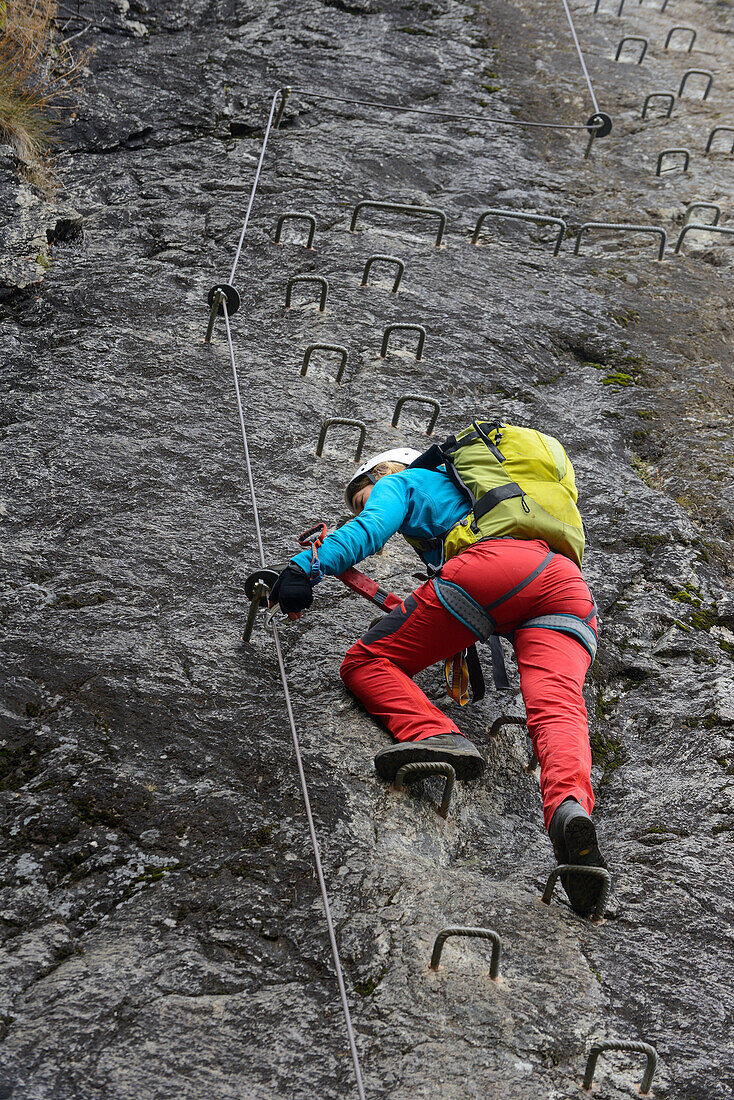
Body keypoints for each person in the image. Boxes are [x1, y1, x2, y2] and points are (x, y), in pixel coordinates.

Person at [269, 437, 607, 917]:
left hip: (491, 571)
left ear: (380, 472)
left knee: (366, 662)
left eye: (362, 492)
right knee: (558, 709)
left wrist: (306, 567)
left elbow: (371, 527)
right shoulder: (493, 504)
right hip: (568, 588)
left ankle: (435, 735)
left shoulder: (406, 480)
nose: (364, 502)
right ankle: (570, 808)